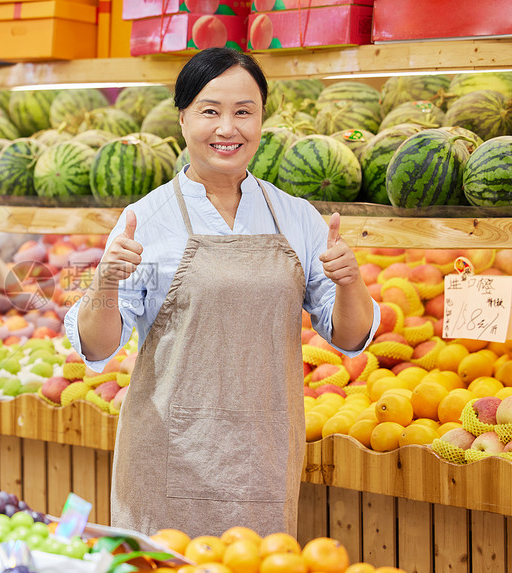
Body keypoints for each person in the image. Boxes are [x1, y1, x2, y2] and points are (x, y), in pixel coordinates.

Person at [63, 47, 380, 539]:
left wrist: (349, 281)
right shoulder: (146, 218)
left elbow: (351, 337)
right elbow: (99, 347)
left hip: (263, 458)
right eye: (210, 111)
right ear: (184, 117)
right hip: (167, 459)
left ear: (261, 120)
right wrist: (105, 281)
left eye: (243, 112)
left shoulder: (295, 216)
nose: (227, 128)